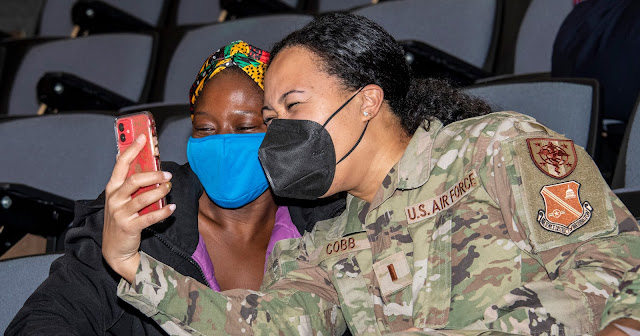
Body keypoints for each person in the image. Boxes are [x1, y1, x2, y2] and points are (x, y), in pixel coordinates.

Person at [105, 14, 640, 335]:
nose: (278, 133)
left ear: (366, 102)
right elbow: (271, 326)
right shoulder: (324, 239)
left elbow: (617, 269)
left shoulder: (494, 147)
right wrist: (129, 264)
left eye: (294, 106)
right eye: (271, 121)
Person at [5, 40, 312, 335]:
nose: (221, 144)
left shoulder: (323, 221)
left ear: (281, 130)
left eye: (244, 127)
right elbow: (47, 316)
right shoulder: (141, 218)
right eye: (205, 129)